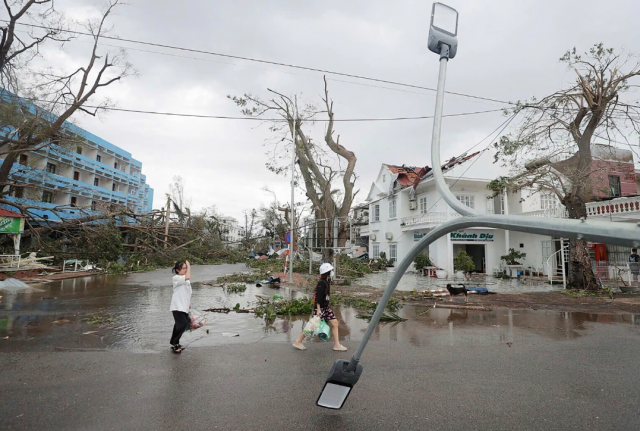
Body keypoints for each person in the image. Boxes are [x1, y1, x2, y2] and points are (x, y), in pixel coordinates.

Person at [292, 263, 347, 352]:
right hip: (321, 309)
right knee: (311, 326)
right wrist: (318, 309)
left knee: (335, 323)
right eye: (330, 270)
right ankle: (298, 341)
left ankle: (337, 345)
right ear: (327, 272)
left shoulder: (325, 281)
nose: (332, 272)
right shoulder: (322, 283)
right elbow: (318, 297)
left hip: (325, 308)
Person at [170, 260, 191, 353]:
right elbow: (188, 276)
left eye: (186, 268)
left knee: (180, 324)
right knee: (182, 324)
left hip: (184, 306)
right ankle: (174, 344)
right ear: (178, 270)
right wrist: (189, 266)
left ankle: (175, 342)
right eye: (184, 268)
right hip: (177, 306)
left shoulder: (185, 279)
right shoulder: (176, 278)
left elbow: (187, 292)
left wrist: (189, 303)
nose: (185, 270)